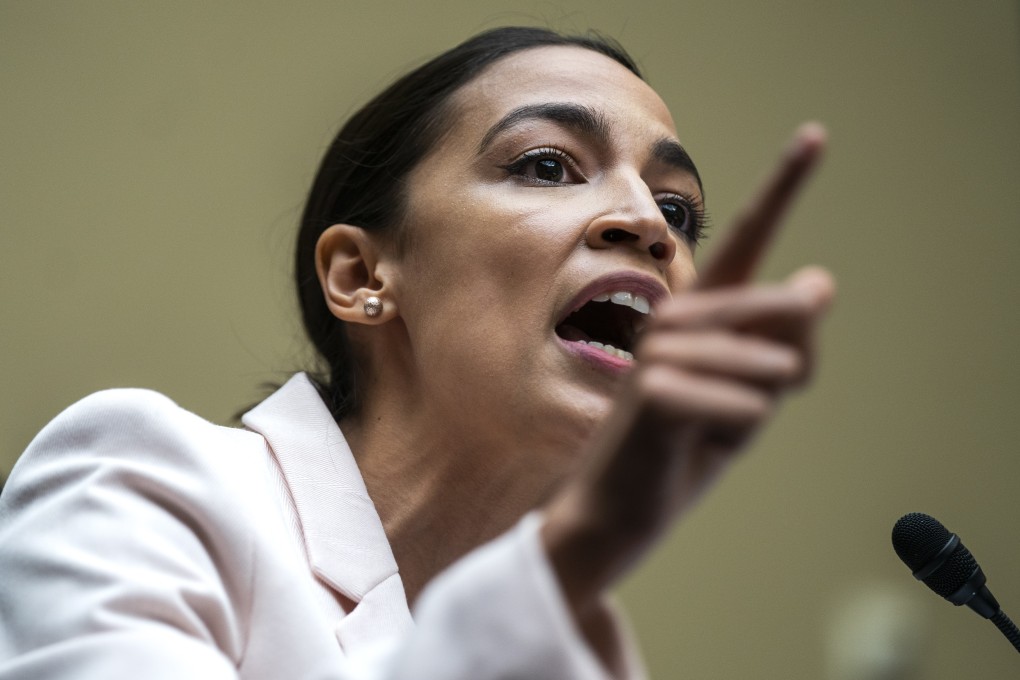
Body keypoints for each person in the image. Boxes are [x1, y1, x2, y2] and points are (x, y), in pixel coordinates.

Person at [0, 26, 834, 679]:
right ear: (363, 274)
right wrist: (578, 546)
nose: (649, 224)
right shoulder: (144, 483)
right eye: (549, 166)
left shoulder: (585, 657)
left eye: (678, 211)